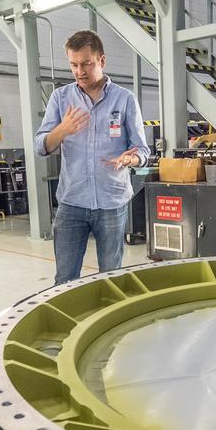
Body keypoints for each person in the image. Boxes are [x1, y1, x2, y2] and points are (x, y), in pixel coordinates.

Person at [34, 30, 150, 283]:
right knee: (65, 279)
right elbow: (41, 146)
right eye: (74, 65)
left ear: (101, 60)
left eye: (86, 63)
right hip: (71, 202)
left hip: (112, 202)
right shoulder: (61, 98)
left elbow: (142, 151)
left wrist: (129, 159)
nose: (80, 71)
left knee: (110, 277)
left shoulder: (124, 99)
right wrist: (62, 130)